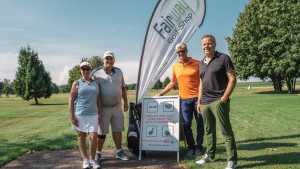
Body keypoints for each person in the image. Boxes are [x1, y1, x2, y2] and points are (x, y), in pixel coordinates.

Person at [195, 35, 237, 169]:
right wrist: (199, 101)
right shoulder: (201, 63)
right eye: (204, 44)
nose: (206, 46)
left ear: (215, 44)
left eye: (209, 43)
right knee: (208, 130)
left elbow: (232, 79)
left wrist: (224, 98)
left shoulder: (224, 58)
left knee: (226, 131)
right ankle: (210, 156)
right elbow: (201, 83)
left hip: (219, 101)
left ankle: (232, 160)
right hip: (205, 102)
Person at [156, 42, 204, 157]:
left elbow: (203, 81)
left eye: (182, 51)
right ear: (176, 53)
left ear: (187, 51)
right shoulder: (175, 66)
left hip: (198, 98)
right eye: (178, 52)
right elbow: (172, 82)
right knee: (186, 124)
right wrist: (161, 93)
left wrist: (202, 98)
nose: (181, 53)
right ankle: (191, 147)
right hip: (184, 100)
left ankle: (199, 147)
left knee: (200, 123)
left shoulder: (197, 63)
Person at [90, 51, 130, 163]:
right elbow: (89, 87)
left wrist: (125, 102)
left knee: (118, 129)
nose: (109, 60)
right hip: (103, 107)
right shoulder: (96, 73)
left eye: (111, 58)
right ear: (103, 60)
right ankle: (98, 153)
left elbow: (123, 88)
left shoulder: (119, 72)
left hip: (117, 106)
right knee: (101, 132)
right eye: (106, 58)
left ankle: (119, 152)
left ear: (114, 60)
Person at [69, 61, 102, 169]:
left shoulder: (96, 83)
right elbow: (71, 99)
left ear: (90, 70)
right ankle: (85, 160)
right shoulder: (77, 83)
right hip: (80, 114)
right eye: (83, 69)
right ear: (81, 70)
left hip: (93, 114)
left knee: (93, 136)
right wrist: (72, 116)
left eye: (88, 69)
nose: (85, 71)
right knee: (81, 136)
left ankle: (92, 160)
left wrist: (100, 113)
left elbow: (98, 100)